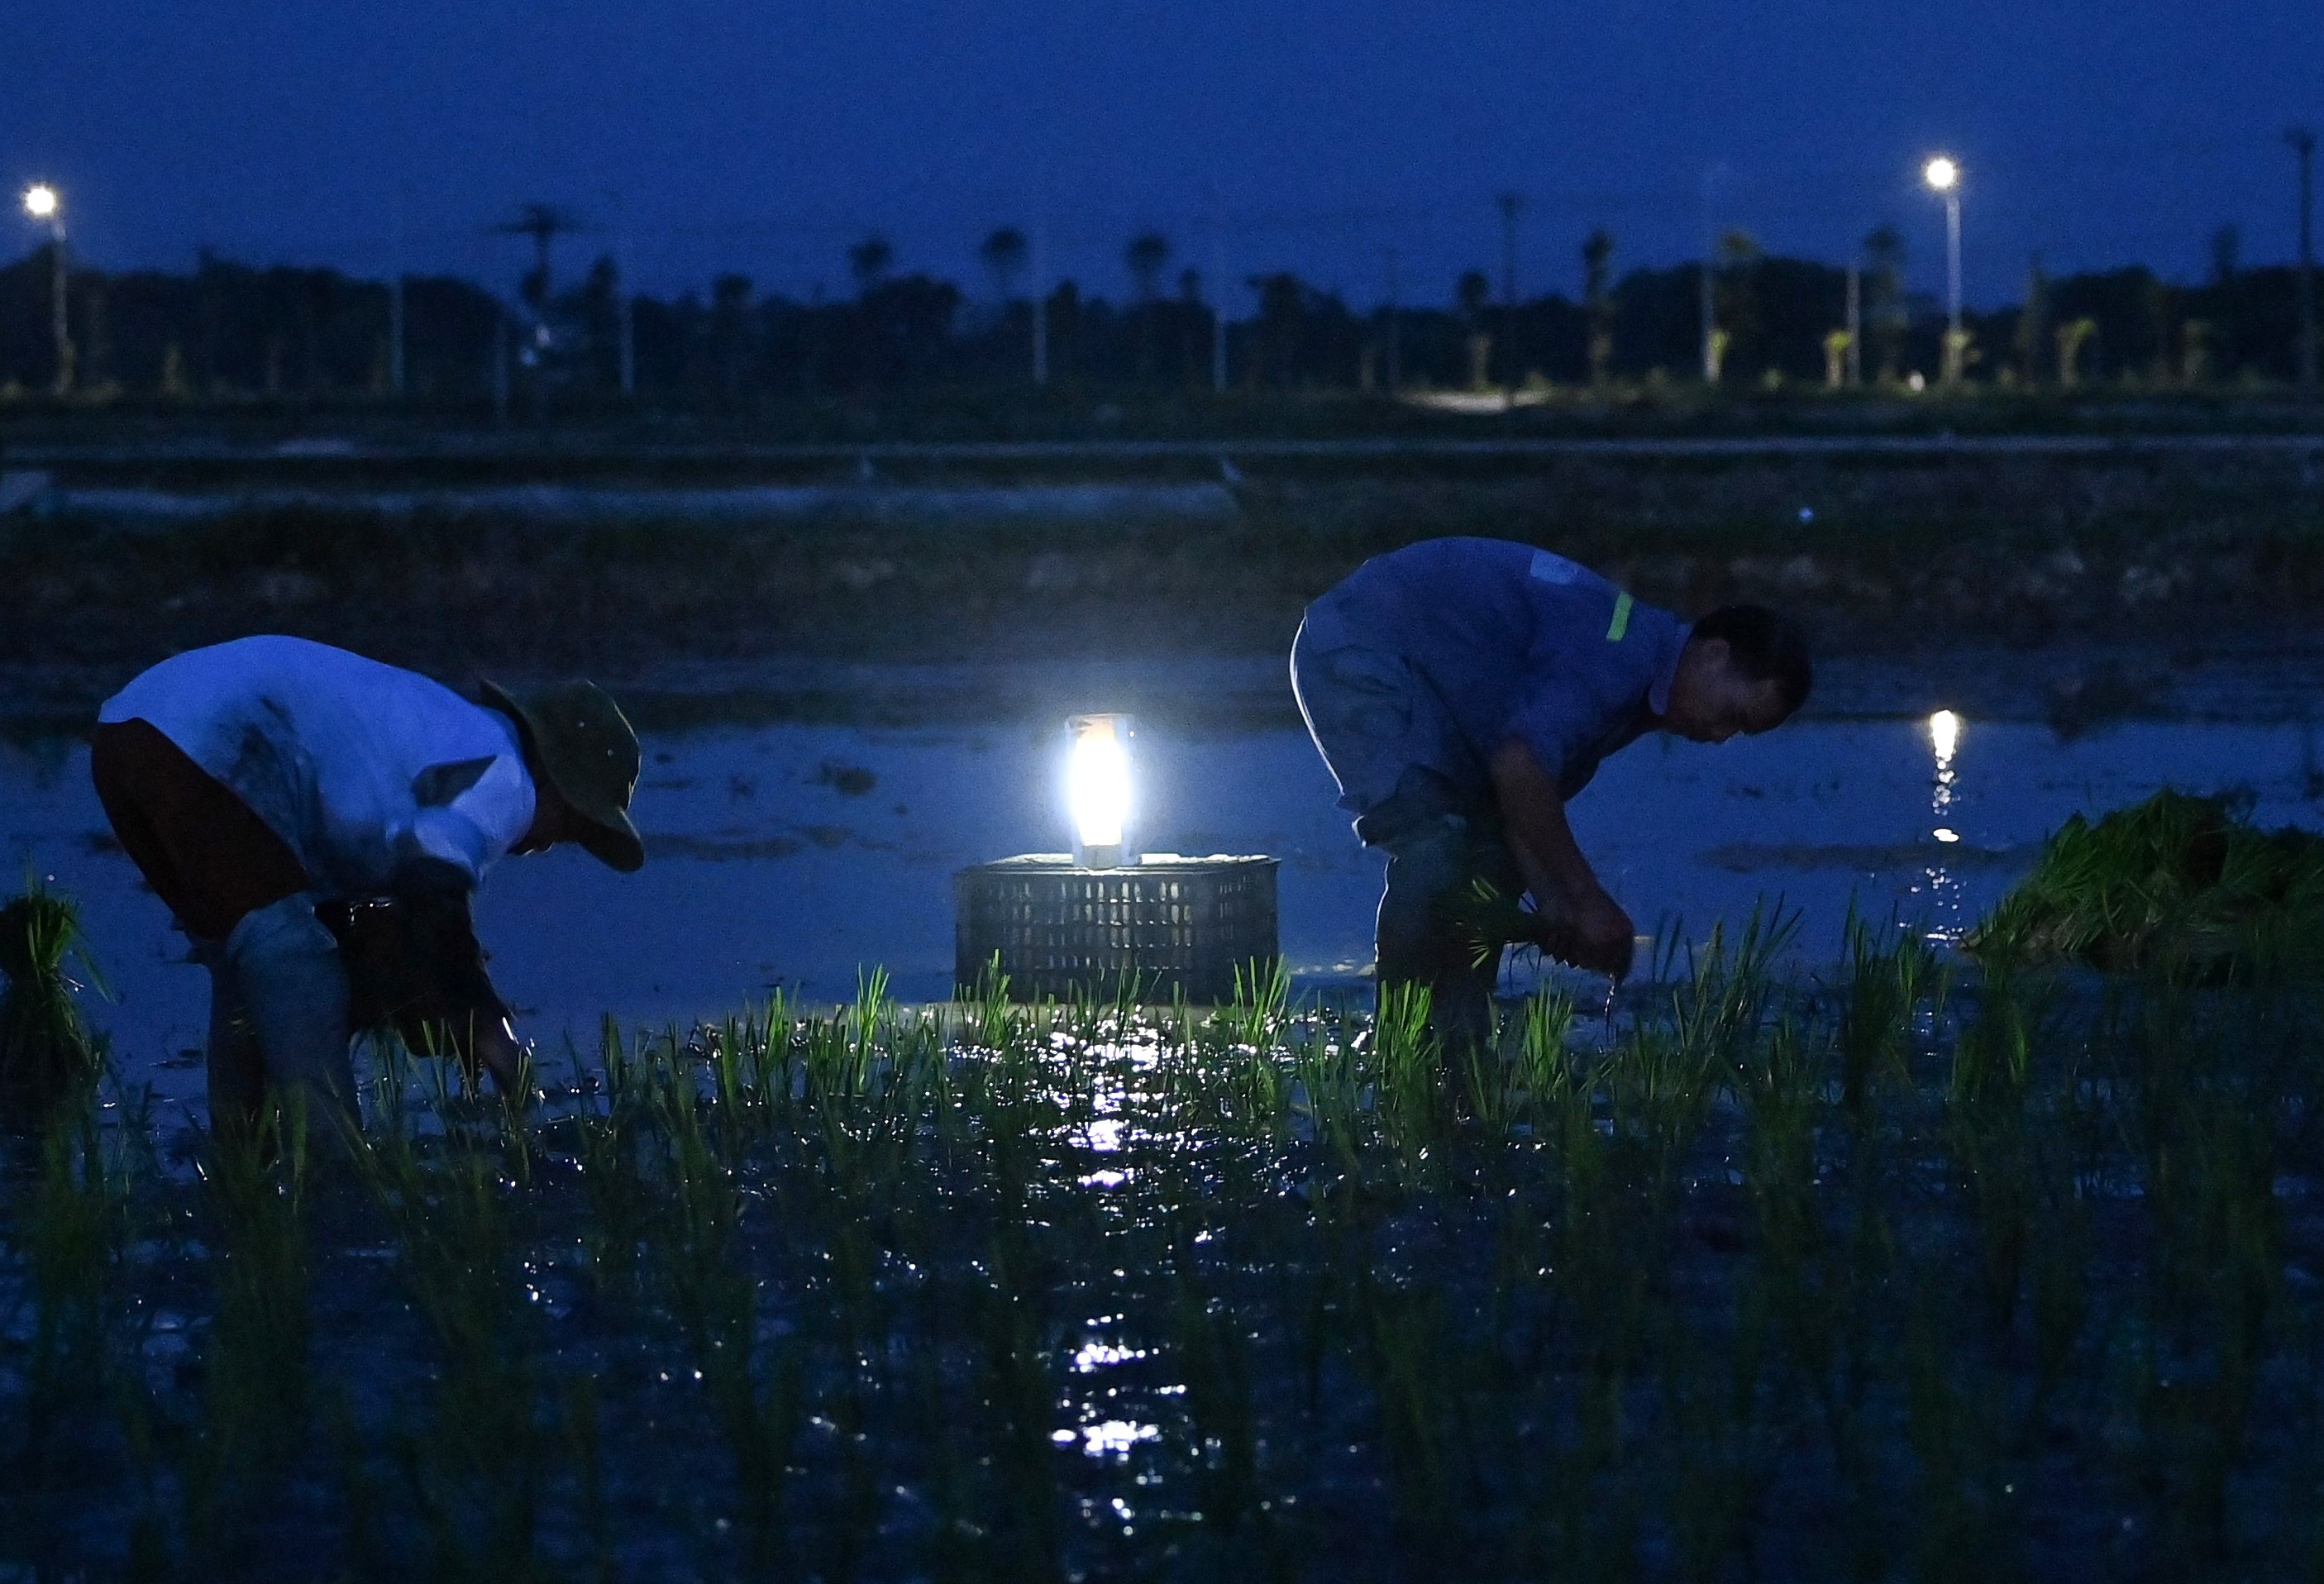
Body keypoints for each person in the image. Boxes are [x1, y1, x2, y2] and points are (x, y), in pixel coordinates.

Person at [90, 635, 646, 1128]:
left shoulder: (443, 734)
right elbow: (432, 893)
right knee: (292, 960)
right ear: (552, 777)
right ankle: (340, 1169)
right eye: (573, 822)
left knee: (248, 969)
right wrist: (486, 1026)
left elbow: (397, 903)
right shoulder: (502, 773)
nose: (554, 841)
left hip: (126, 732)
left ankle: (241, 1161)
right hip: (206, 733)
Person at [1291, 537, 1811, 1039]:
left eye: (1738, 733)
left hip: (1438, 682)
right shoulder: (1618, 654)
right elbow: (1519, 767)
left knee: (1488, 860)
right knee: (1435, 846)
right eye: (1732, 715)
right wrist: (1586, 897)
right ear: (1714, 653)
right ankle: (1402, 1049)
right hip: (1363, 644)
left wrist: (1556, 909)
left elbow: (1515, 807)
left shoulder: (1630, 690)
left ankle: (1457, 1042)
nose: (1720, 736)